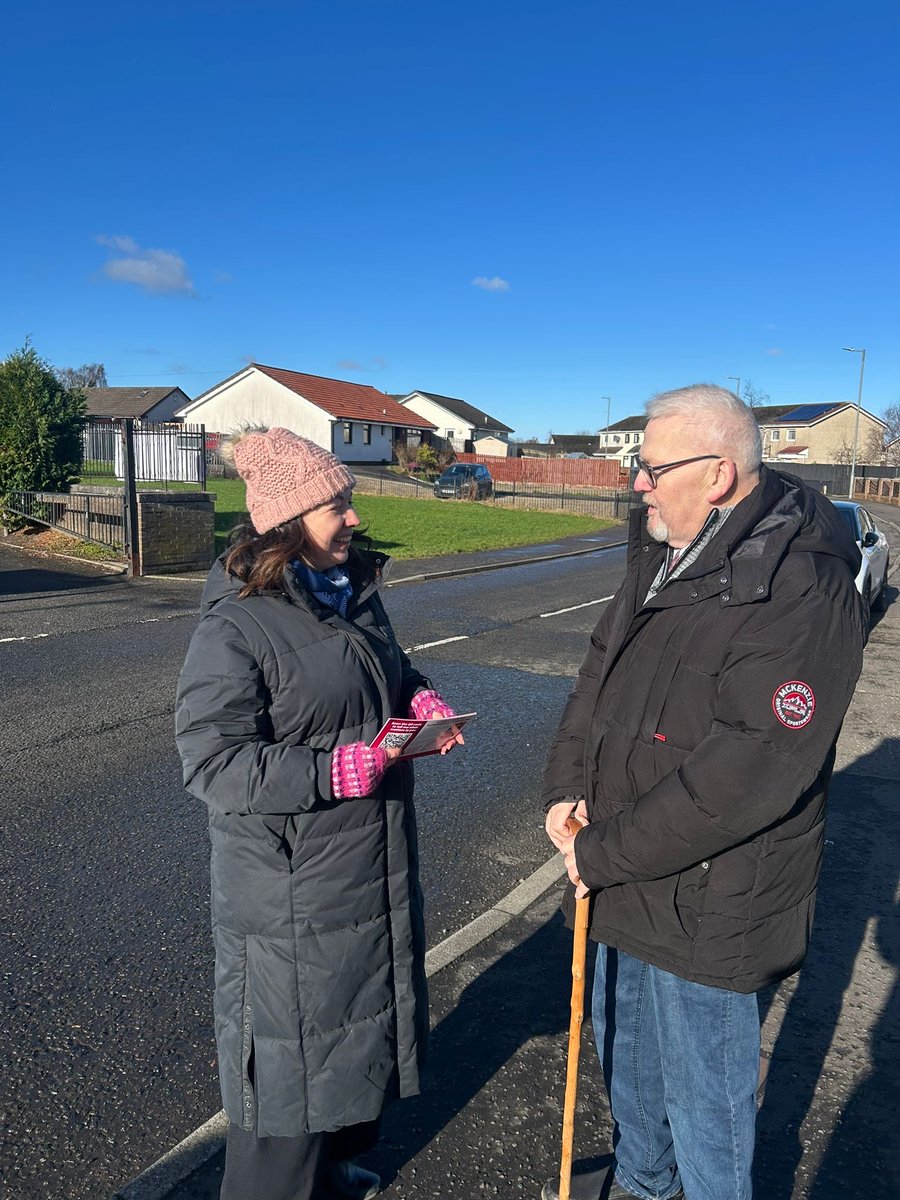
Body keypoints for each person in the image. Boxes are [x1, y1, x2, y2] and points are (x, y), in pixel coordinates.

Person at [541, 385, 866, 1200]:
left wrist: (601, 851)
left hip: (713, 899)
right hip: (622, 872)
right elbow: (597, 677)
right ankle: (643, 1189)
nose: (637, 484)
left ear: (717, 474)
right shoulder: (661, 551)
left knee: (707, 1110)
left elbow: (751, 769)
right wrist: (569, 786)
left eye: (650, 468)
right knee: (632, 1075)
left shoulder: (803, 586)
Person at [175, 426, 463, 1200]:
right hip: (290, 888)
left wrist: (417, 696)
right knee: (289, 1068)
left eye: (348, 499)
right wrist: (336, 769)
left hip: (365, 866)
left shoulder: (353, 591)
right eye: (337, 504)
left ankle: (332, 1173)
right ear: (288, 519)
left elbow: (385, 674)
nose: (354, 517)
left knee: (351, 1040)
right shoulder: (234, 626)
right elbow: (211, 761)